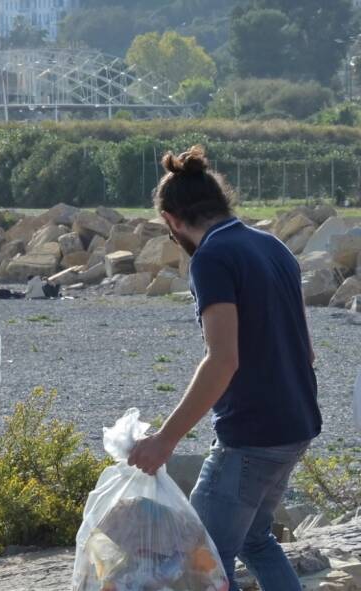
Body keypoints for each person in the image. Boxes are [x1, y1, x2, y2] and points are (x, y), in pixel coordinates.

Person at [128, 146, 321, 591]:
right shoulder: (272, 246)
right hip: (296, 424)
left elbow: (223, 359)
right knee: (255, 539)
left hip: (252, 437)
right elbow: (306, 352)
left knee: (202, 561)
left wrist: (164, 440)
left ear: (171, 221)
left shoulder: (212, 258)